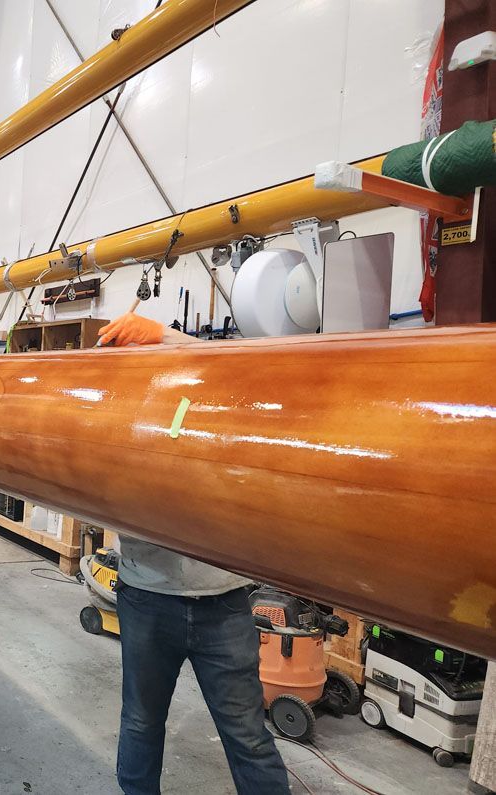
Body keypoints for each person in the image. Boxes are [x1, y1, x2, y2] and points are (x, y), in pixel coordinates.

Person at [99, 311, 291, 795]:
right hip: (147, 595)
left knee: (248, 735)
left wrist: (165, 334)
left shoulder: (205, 404)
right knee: (141, 724)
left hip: (221, 600)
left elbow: (246, 367)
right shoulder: (120, 418)